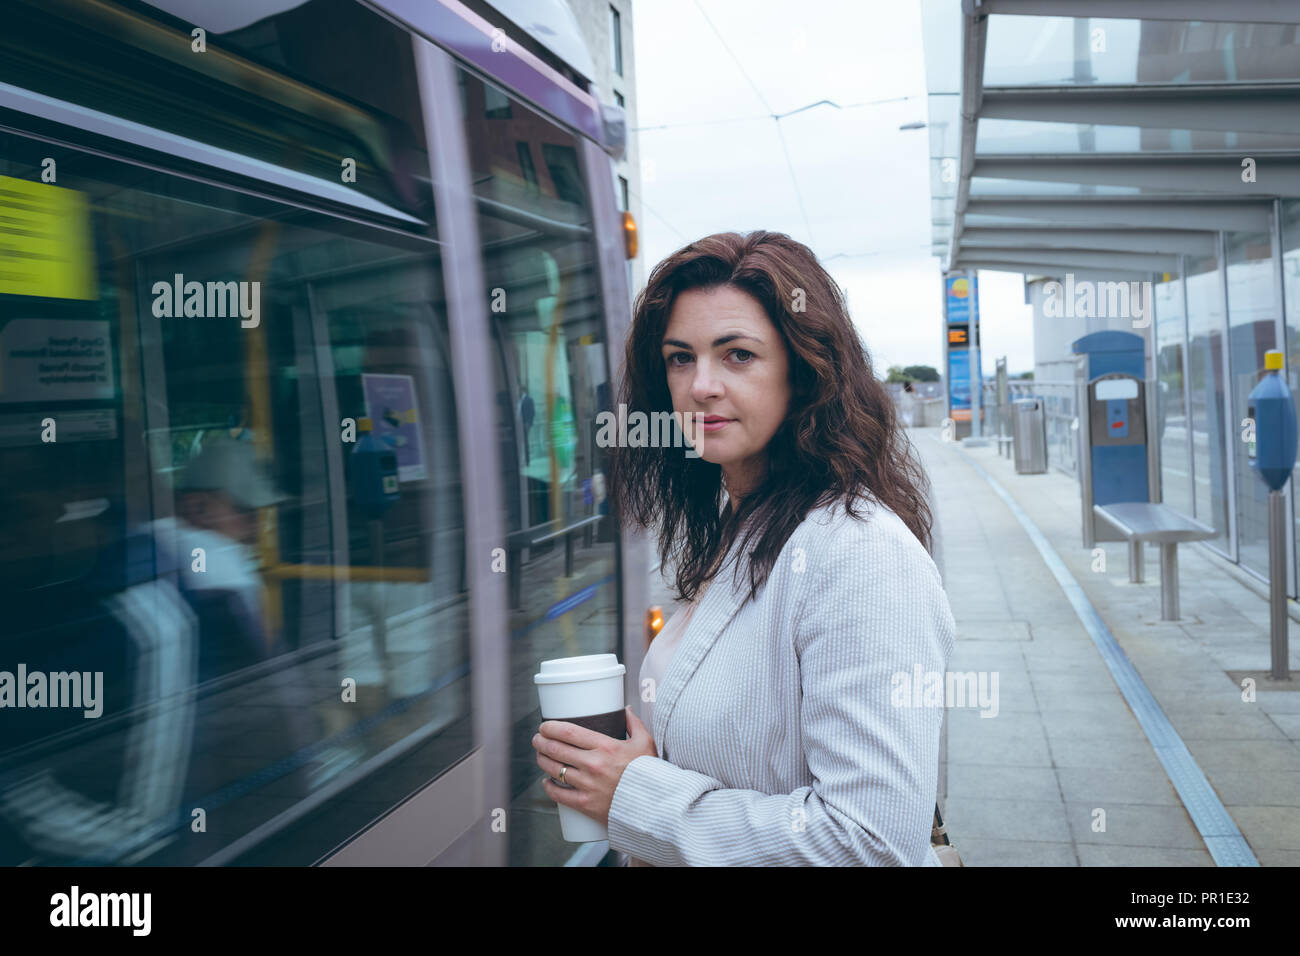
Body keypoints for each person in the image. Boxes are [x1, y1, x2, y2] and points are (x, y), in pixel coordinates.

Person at [531, 230, 955, 866]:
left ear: (804, 370)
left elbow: (869, 845)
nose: (700, 385)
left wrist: (635, 793)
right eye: (680, 358)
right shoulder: (747, 520)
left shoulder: (860, 556)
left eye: (737, 355)